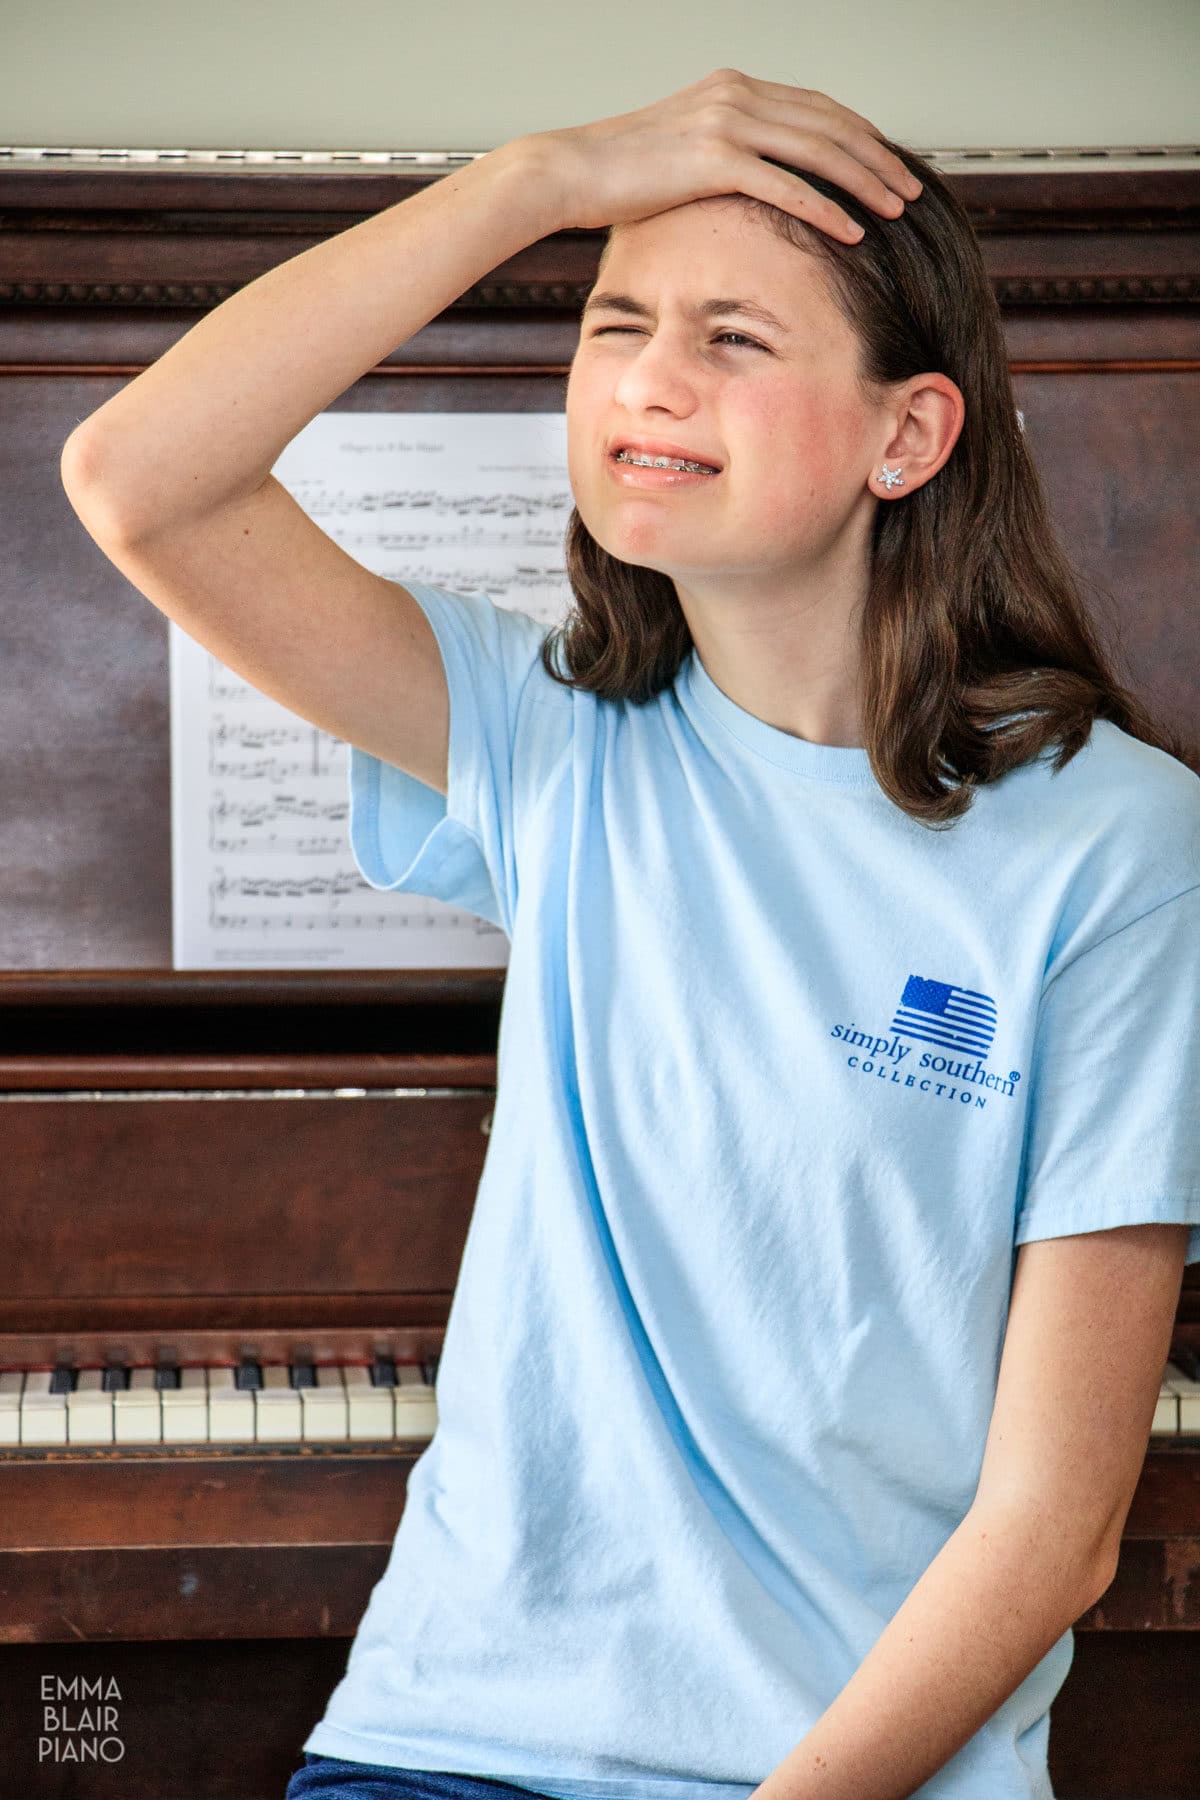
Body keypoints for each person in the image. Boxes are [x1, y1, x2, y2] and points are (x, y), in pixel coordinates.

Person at [60, 68, 1199, 1800]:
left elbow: (1055, 1534)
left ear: (909, 435)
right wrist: (538, 178)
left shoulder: (1121, 846)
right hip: (450, 1743)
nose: (649, 382)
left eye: (734, 338)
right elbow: (135, 477)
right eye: (614, 322)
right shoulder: (551, 737)